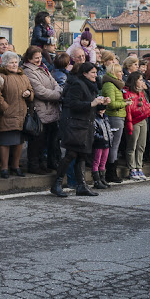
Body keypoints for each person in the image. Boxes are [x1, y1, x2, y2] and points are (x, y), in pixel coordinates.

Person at [50, 62, 107, 198]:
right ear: (84, 73)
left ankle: (82, 185)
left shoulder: (91, 86)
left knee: (82, 154)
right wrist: (91, 103)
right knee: (71, 154)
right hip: (75, 125)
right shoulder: (77, 84)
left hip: (86, 124)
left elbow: (91, 107)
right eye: (92, 72)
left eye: (96, 72)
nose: (95, 75)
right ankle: (56, 184)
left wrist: (102, 104)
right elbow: (72, 104)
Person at [22, 45, 62, 174]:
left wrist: (57, 92)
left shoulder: (43, 68)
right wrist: (57, 95)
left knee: (49, 140)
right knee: (37, 140)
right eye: (36, 58)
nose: (39, 60)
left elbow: (55, 83)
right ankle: (34, 165)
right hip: (39, 109)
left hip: (51, 109)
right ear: (29, 58)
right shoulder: (28, 71)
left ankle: (45, 163)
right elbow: (40, 92)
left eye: (40, 57)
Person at [0, 51, 33, 178]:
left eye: (16, 62)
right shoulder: (1, 76)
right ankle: (4, 168)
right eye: (11, 62)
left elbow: (31, 90)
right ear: (5, 64)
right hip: (7, 115)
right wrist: (5, 109)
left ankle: (15, 166)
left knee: (19, 142)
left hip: (21, 114)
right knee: (5, 142)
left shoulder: (23, 76)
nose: (15, 65)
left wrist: (29, 93)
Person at [123, 71, 150, 180]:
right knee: (132, 145)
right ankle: (132, 168)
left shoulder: (141, 92)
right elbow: (129, 108)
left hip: (143, 119)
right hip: (134, 120)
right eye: (140, 80)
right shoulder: (127, 92)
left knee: (141, 145)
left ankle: (139, 166)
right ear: (134, 80)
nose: (142, 82)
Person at [101, 62, 129, 183]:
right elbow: (111, 103)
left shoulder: (115, 85)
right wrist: (125, 103)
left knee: (115, 145)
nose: (122, 74)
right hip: (114, 117)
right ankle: (111, 172)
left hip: (119, 116)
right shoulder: (109, 85)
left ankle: (112, 171)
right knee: (113, 146)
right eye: (120, 72)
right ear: (113, 73)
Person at [91, 106, 113, 189]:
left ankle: (102, 179)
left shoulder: (105, 117)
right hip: (99, 143)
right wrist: (102, 138)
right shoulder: (94, 118)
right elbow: (94, 132)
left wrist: (110, 137)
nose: (102, 111)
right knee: (97, 161)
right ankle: (97, 180)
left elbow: (108, 129)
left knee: (103, 161)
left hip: (106, 141)